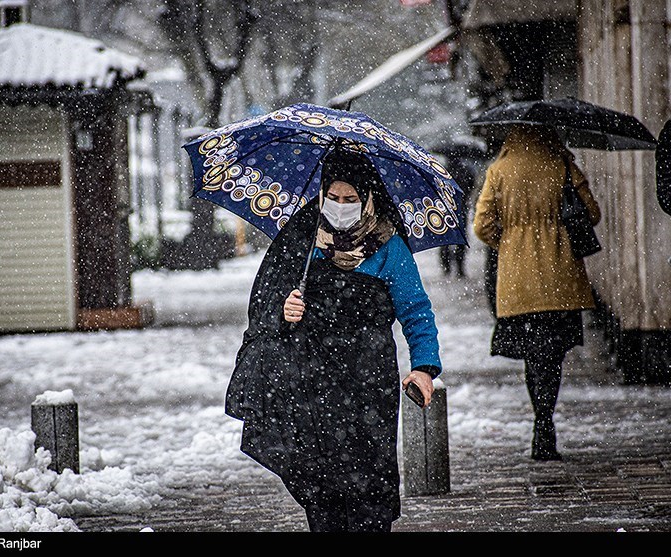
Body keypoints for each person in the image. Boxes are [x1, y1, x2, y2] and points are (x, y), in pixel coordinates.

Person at [225, 148, 442, 532]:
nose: (341, 207)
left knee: (368, 488)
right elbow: (267, 299)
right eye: (333, 198)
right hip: (311, 383)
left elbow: (416, 312)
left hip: (368, 383)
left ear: (368, 198)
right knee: (321, 488)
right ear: (321, 194)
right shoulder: (302, 241)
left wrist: (424, 368)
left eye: (351, 199)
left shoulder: (389, 248)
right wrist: (285, 308)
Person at [473, 125, 601, 461]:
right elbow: (592, 213)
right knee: (553, 353)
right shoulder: (561, 164)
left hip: (518, 281)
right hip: (560, 276)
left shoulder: (499, 170)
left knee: (533, 353)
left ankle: (540, 418)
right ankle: (546, 418)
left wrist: (512, 243)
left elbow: (481, 225)